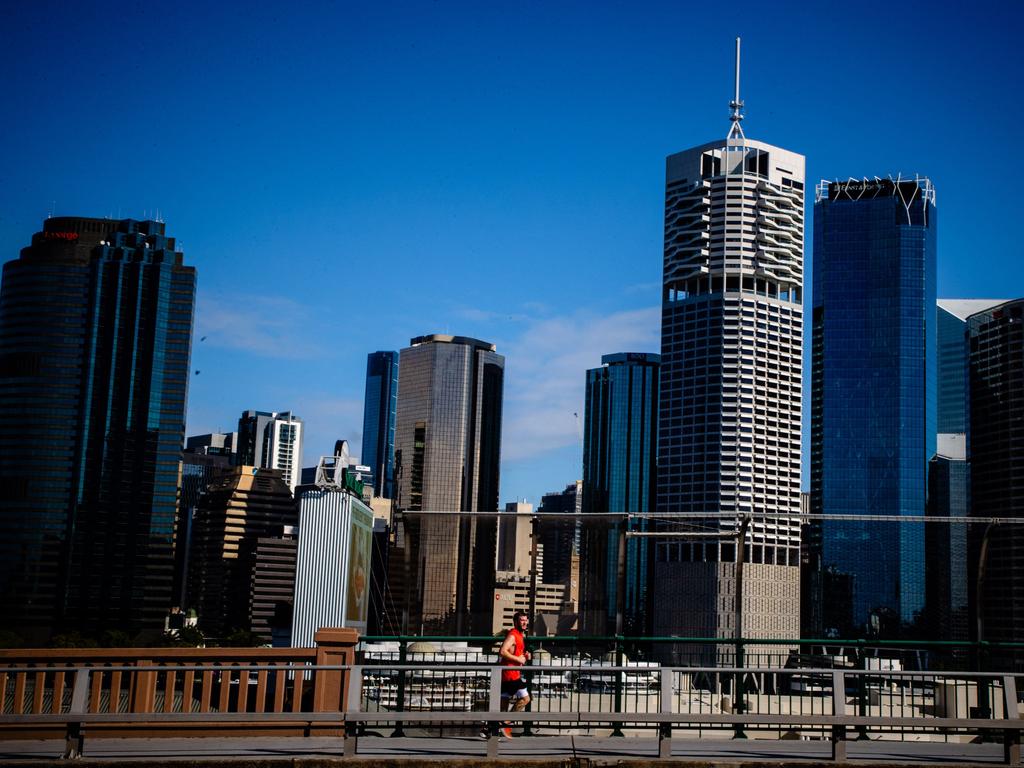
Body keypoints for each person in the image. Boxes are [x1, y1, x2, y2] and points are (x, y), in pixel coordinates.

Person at [498, 611, 531, 735]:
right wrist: (518, 659)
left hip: (508, 674)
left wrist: (525, 656)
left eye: (525, 620)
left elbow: (515, 653)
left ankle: (490, 731)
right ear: (516, 622)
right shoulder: (513, 635)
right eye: (521, 620)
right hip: (510, 674)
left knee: (503, 705)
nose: (524, 622)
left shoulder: (520, 635)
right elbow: (502, 651)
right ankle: (506, 723)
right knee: (525, 698)